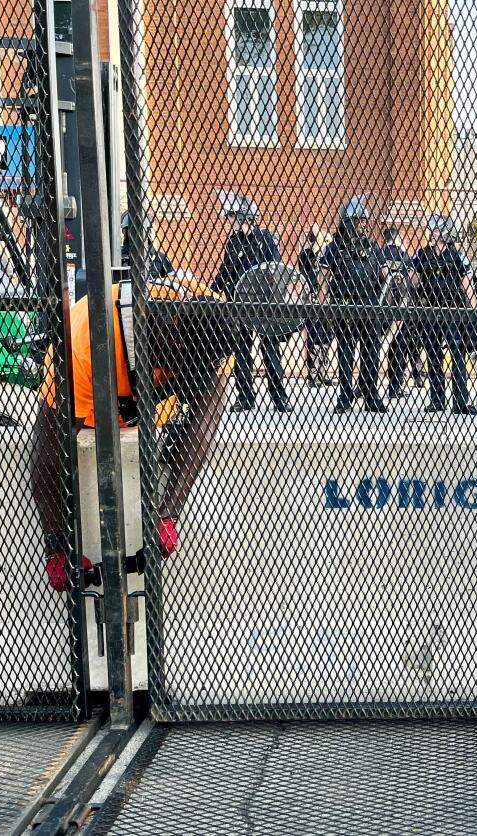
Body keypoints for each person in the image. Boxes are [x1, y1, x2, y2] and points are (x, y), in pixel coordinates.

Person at [33, 273, 234, 591]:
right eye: (181, 366)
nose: (182, 377)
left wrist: (168, 516)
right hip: (98, 402)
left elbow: (203, 426)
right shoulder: (85, 339)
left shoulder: (215, 323)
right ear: (172, 332)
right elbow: (49, 454)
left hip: (144, 406)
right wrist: (57, 548)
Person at [212, 193, 290, 413]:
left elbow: (276, 268)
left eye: (234, 217)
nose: (232, 222)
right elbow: (224, 271)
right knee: (241, 351)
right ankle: (245, 396)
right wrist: (212, 291)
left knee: (270, 350)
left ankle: (279, 397)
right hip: (239, 304)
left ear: (246, 216)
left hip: (263, 305)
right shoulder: (233, 241)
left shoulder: (265, 238)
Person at [320, 197, 386, 414]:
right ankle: (345, 396)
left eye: (365, 221)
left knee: (371, 352)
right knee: (346, 352)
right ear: (348, 222)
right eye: (359, 221)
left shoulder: (373, 246)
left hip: (370, 305)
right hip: (345, 305)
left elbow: (386, 276)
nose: (364, 225)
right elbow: (323, 277)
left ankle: (370, 395)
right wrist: (321, 304)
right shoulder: (334, 247)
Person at [411, 214, 477, 413]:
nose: (433, 233)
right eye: (432, 230)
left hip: (452, 309)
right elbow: (413, 281)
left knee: (457, 354)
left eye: (437, 229)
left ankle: (460, 401)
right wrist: (411, 272)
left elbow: (466, 282)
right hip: (431, 308)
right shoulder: (422, 253)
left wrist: (474, 310)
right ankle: (437, 399)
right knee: (433, 354)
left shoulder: (457, 254)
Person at [378, 226, 419, 399]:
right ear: (398, 238)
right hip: (401, 307)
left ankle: (365, 385)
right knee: (399, 347)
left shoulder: (380, 254)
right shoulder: (405, 257)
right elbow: (413, 281)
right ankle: (394, 387)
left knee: (373, 347)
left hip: (381, 307)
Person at [298, 228, 330, 386]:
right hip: (312, 301)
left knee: (326, 337)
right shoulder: (306, 255)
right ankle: (313, 375)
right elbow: (307, 271)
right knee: (314, 337)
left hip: (327, 301)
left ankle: (323, 373)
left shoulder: (326, 253)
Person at [120, 211, 174, 279]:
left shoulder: (161, 258)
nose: (138, 234)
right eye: (133, 231)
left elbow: (172, 282)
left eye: (141, 230)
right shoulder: (117, 258)